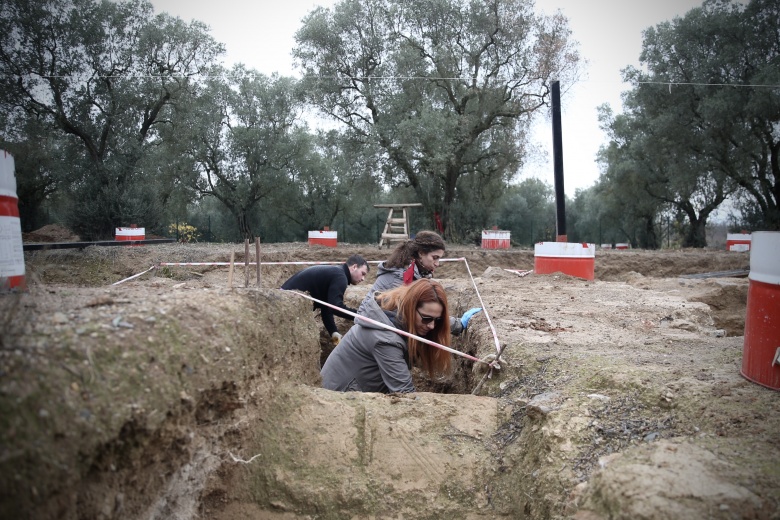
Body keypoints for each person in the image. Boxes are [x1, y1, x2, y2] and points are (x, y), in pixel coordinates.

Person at [321, 278, 452, 393]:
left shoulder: (394, 310)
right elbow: (404, 392)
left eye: (438, 320)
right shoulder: (385, 339)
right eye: (426, 319)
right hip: (338, 397)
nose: (432, 326)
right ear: (410, 308)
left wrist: (459, 324)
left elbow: (433, 316)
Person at [362, 230, 481, 335]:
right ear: (420, 253)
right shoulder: (399, 278)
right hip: (372, 331)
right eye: (434, 258)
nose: (437, 263)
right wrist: (457, 325)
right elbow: (414, 314)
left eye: (439, 258)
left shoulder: (413, 272)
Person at [281, 254, 369, 343]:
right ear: (354, 267)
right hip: (285, 304)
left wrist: (333, 332)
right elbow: (336, 307)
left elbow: (326, 306)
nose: (363, 279)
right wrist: (359, 316)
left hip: (284, 299)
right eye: (363, 273)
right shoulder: (340, 277)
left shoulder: (337, 272)